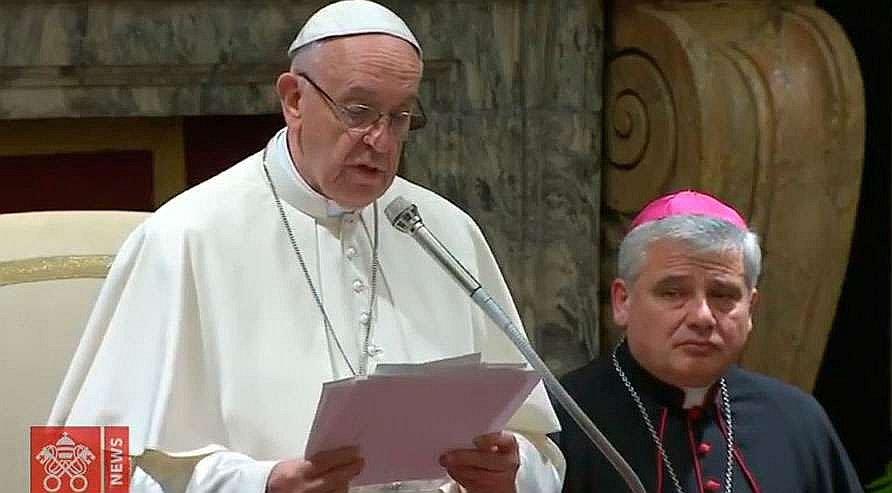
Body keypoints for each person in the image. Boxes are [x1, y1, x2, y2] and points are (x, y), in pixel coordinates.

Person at [48, 1, 564, 492]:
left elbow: (541, 451)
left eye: (402, 117)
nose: (381, 142)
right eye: (359, 111)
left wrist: (509, 475)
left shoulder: (442, 231)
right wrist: (259, 485)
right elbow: (79, 471)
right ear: (295, 99)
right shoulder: (186, 237)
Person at [556, 190, 864, 492]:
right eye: (673, 292)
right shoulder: (560, 419)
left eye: (723, 295)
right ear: (623, 301)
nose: (702, 317)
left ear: (750, 309)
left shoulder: (796, 420)